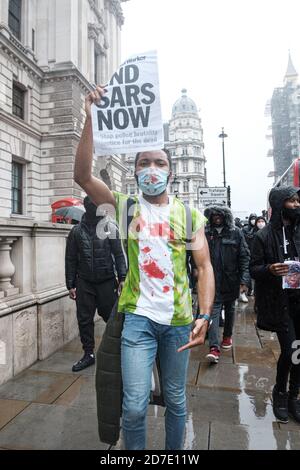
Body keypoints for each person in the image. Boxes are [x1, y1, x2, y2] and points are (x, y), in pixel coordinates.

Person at [74, 85, 215, 450]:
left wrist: (205, 315)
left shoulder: (187, 214)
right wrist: (89, 117)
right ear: (135, 170)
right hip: (137, 320)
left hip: (179, 323)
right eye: (143, 162)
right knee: (134, 406)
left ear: (170, 170)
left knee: (176, 400)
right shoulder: (126, 208)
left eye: (160, 162)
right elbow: (84, 178)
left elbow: (204, 267)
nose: (152, 169)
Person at [250, 186, 300, 424]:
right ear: (280, 205)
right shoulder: (263, 236)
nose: (297, 205)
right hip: (280, 303)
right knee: (291, 352)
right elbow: (253, 269)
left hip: (299, 300)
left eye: (298, 200)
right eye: (292, 201)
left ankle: (294, 397)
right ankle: (280, 392)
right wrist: (269, 269)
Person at [65, 196, 127, 372]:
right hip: (84, 282)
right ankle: (88, 354)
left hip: (107, 281)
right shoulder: (76, 231)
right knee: (84, 320)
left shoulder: (110, 227)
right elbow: (70, 259)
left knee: (112, 318)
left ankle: (120, 350)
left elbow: (119, 255)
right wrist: (70, 284)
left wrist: (122, 277)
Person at [203, 206, 250, 362]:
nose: (216, 217)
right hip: (212, 281)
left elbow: (244, 257)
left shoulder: (235, 232)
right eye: (213, 214)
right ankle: (214, 348)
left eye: (219, 214)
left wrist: (244, 280)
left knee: (230, 310)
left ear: (225, 216)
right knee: (213, 312)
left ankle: (227, 336)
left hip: (231, 280)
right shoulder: (206, 233)